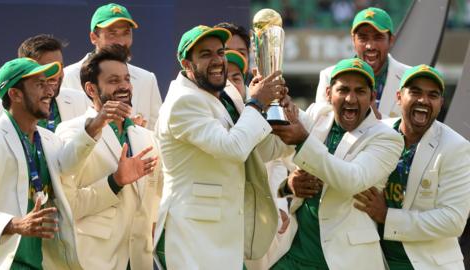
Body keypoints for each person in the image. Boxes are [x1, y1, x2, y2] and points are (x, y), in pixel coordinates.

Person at [153, 25, 292, 270]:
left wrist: (283, 114)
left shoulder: (226, 94)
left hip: (224, 235)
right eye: (205, 55)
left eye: (220, 52)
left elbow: (261, 150)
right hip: (192, 236)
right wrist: (257, 102)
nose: (217, 60)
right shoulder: (182, 102)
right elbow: (233, 149)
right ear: (187, 64)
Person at [271, 58, 404, 270]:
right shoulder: (319, 115)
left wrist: (303, 141)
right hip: (294, 255)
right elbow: (275, 146)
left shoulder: (387, 138)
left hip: (344, 260)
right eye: (343, 90)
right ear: (328, 94)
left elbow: (351, 180)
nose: (351, 98)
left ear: (372, 97)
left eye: (360, 91)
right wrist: (273, 102)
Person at [353, 65, 470, 269]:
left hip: (426, 264)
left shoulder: (456, 147)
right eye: (415, 92)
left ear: (440, 103)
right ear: (399, 97)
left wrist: (387, 216)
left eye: (432, 95)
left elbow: (453, 220)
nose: (423, 100)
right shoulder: (376, 131)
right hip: (374, 258)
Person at [55, 44, 160, 270]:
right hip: (93, 261)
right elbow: (68, 204)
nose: (124, 86)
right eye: (113, 81)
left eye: (126, 79)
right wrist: (115, 182)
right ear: (91, 89)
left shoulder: (147, 137)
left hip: (140, 261)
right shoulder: (72, 131)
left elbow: (154, 204)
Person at [0, 58, 99, 269]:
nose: (50, 91)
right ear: (15, 94)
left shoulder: (49, 139)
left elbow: (68, 167)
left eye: (49, 83)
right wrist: (15, 224)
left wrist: (95, 127)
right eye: (39, 84)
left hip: (43, 264)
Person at [62, 2, 162, 130]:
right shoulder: (68, 76)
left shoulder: (147, 79)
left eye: (126, 33)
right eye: (112, 33)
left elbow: (156, 133)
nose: (120, 41)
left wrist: (136, 134)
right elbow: (65, 133)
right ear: (93, 37)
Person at [315, 7, 409, 118]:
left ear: (391, 40)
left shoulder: (409, 77)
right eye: (363, 38)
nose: (370, 46)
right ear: (353, 40)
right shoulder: (329, 76)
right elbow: (322, 126)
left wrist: (376, 119)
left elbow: (413, 130)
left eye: (378, 37)